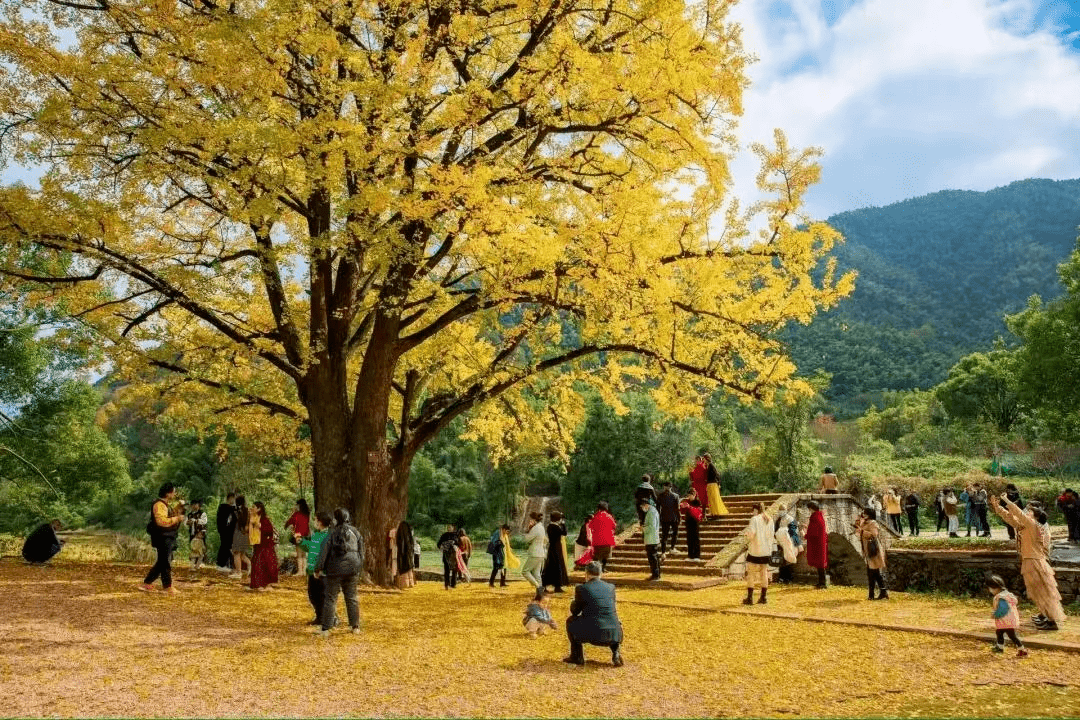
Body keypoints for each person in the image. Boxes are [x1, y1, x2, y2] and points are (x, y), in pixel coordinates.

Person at [990, 495, 1064, 631]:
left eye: (1030, 512)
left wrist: (1006, 501)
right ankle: (1047, 617)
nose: (1026, 512)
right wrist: (998, 507)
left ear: (1034, 516)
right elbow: (1010, 518)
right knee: (1037, 592)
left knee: (1042, 592)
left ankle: (1052, 621)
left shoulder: (1032, 525)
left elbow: (1018, 514)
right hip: (1031, 561)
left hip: (1035, 562)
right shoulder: (1026, 526)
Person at [564, 561, 624, 667]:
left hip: (592, 633)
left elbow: (575, 611)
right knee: (611, 618)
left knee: (570, 621)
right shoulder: (610, 587)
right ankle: (616, 652)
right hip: (615, 633)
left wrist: (574, 601)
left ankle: (577, 656)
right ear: (601, 573)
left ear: (586, 574)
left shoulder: (582, 588)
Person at [315, 508, 364, 636]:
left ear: (335, 519)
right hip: (352, 568)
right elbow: (361, 552)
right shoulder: (356, 533)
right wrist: (358, 566)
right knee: (351, 597)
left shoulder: (331, 534)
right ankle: (355, 627)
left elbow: (323, 553)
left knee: (330, 598)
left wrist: (318, 568)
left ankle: (326, 629)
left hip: (334, 569)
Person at [139, 483, 185, 594]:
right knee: (165, 562)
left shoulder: (164, 505)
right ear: (168, 493)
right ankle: (167, 586)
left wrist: (178, 508)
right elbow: (162, 521)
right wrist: (177, 519)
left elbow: (168, 514)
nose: (174, 494)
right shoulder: (159, 505)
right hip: (162, 537)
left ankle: (147, 583)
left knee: (162, 561)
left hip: (166, 536)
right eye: (173, 492)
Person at [298, 510, 333, 626]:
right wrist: (301, 541)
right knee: (313, 595)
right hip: (312, 570)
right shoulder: (316, 535)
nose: (314, 521)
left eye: (315, 519)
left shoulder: (328, 536)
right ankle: (319, 617)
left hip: (322, 572)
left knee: (323, 596)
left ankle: (329, 618)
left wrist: (321, 569)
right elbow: (311, 548)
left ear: (320, 521)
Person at [987, 575, 1028, 657]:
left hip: (1005, 621)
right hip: (1010, 620)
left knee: (1007, 634)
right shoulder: (1007, 595)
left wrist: (996, 614)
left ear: (996, 588)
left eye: (991, 589)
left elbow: (1003, 609)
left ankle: (1018, 649)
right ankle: (1004, 647)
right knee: (1006, 634)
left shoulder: (1001, 597)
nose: (990, 591)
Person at [742, 502, 773, 604]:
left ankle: (750, 598)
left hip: (755, 549)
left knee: (751, 573)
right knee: (764, 572)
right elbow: (771, 535)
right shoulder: (770, 520)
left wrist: (746, 534)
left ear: (756, 510)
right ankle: (763, 597)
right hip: (766, 550)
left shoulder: (754, 519)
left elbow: (751, 534)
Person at [855, 508, 888, 600]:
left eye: (865, 513)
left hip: (873, 550)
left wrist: (862, 531)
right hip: (867, 550)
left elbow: (873, 534)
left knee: (872, 573)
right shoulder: (864, 522)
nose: (863, 515)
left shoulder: (873, 523)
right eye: (863, 513)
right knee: (875, 573)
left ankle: (872, 595)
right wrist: (858, 522)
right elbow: (858, 532)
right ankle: (882, 592)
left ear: (869, 514)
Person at [250, 501, 279, 591]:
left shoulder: (264, 519)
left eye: (254, 507)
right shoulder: (253, 517)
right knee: (257, 565)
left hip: (265, 546)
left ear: (259, 509)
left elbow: (269, 530)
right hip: (257, 545)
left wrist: (260, 526)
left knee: (264, 565)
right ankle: (257, 584)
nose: (252, 508)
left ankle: (265, 584)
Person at [541, 511, 570, 593]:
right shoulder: (555, 527)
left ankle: (546, 585)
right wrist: (563, 524)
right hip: (556, 548)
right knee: (557, 566)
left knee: (551, 566)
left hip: (552, 547)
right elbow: (564, 533)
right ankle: (557, 585)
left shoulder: (550, 526)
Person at [587, 502, 617, 571]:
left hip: (597, 541)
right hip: (607, 540)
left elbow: (591, 526)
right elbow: (614, 526)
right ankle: (603, 568)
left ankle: (597, 569)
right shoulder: (609, 516)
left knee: (597, 557)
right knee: (605, 556)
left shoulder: (595, 517)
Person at [284, 499, 311, 575]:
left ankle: (300, 571)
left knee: (299, 553)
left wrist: (292, 512)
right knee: (303, 554)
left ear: (298, 505)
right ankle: (304, 571)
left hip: (298, 535)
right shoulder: (307, 514)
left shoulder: (296, 514)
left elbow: (289, 522)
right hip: (306, 535)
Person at [805, 500, 828, 589]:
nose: (809, 510)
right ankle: (821, 582)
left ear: (811, 508)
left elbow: (814, 532)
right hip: (820, 542)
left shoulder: (815, 517)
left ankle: (823, 583)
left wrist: (805, 535)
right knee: (820, 564)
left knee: (820, 564)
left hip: (817, 543)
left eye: (809, 509)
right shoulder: (819, 516)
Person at [774, 504, 800, 583]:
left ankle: (788, 578)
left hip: (789, 542)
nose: (781, 511)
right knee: (782, 561)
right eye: (780, 509)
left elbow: (793, 532)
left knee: (789, 560)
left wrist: (797, 543)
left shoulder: (790, 519)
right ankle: (782, 577)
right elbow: (775, 530)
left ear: (786, 510)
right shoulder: (778, 520)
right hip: (780, 543)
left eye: (783, 509)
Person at [522, 512, 546, 589]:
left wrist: (529, 528)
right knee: (536, 573)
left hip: (535, 553)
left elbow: (526, 539)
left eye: (530, 520)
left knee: (525, 571)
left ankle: (538, 587)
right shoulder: (541, 527)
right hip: (541, 553)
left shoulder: (535, 528)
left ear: (533, 520)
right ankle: (540, 590)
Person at [229, 495, 252, 579]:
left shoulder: (237, 510)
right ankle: (250, 566)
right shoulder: (247, 510)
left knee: (236, 553)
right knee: (242, 554)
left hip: (238, 532)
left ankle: (239, 572)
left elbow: (232, 522)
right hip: (245, 533)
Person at [657, 481, 681, 555]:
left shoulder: (660, 496)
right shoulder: (675, 496)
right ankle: (672, 548)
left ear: (664, 487)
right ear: (671, 487)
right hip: (674, 517)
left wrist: (659, 517)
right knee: (675, 533)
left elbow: (657, 508)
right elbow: (677, 509)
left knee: (664, 535)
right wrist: (679, 518)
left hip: (664, 518)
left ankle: (663, 552)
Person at [214, 492, 236, 571]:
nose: (232, 500)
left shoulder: (234, 509)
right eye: (231, 498)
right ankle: (221, 564)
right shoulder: (223, 507)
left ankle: (227, 564)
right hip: (224, 530)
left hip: (231, 532)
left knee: (229, 547)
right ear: (228, 499)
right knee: (224, 546)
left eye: (234, 499)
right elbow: (219, 519)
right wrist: (220, 529)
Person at [680, 489, 703, 561]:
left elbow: (698, 511)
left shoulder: (697, 502)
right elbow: (683, 511)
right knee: (689, 539)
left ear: (694, 495)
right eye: (688, 495)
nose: (689, 497)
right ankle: (690, 555)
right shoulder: (687, 501)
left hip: (695, 522)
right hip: (688, 521)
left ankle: (697, 555)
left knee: (695, 538)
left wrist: (689, 507)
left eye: (691, 495)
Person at [641, 500, 662, 581]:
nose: (643, 508)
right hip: (652, 538)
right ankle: (655, 574)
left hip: (651, 538)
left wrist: (643, 528)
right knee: (653, 557)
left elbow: (652, 526)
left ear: (646, 505)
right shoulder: (652, 511)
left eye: (643, 506)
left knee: (653, 558)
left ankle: (656, 575)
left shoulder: (652, 512)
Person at [186, 500, 208, 569]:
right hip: (192, 534)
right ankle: (193, 565)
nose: (194, 506)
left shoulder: (202, 514)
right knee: (193, 549)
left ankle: (199, 564)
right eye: (193, 504)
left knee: (201, 549)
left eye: (196, 504)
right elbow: (186, 523)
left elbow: (204, 521)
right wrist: (189, 522)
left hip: (200, 534)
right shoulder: (189, 514)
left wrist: (195, 520)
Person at [394, 520, 415, 589]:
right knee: (409, 568)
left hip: (403, 554)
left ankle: (404, 584)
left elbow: (400, 544)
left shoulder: (401, 534)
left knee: (404, 569)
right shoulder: (409, 536)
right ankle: (411, 583)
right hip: (409, 553)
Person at [437, 524, 459, 590]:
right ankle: (447, 584)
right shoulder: (444, 535)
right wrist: (443, 547)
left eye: (450, 527)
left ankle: (453, 584)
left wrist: (455, 546)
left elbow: (458, 544)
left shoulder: (456, 535)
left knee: (455, 570)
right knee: (447, 570)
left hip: (454, 556)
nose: (449, 528)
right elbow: (439, 544)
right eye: (448, 527)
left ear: (453, 528)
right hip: (446, 555)